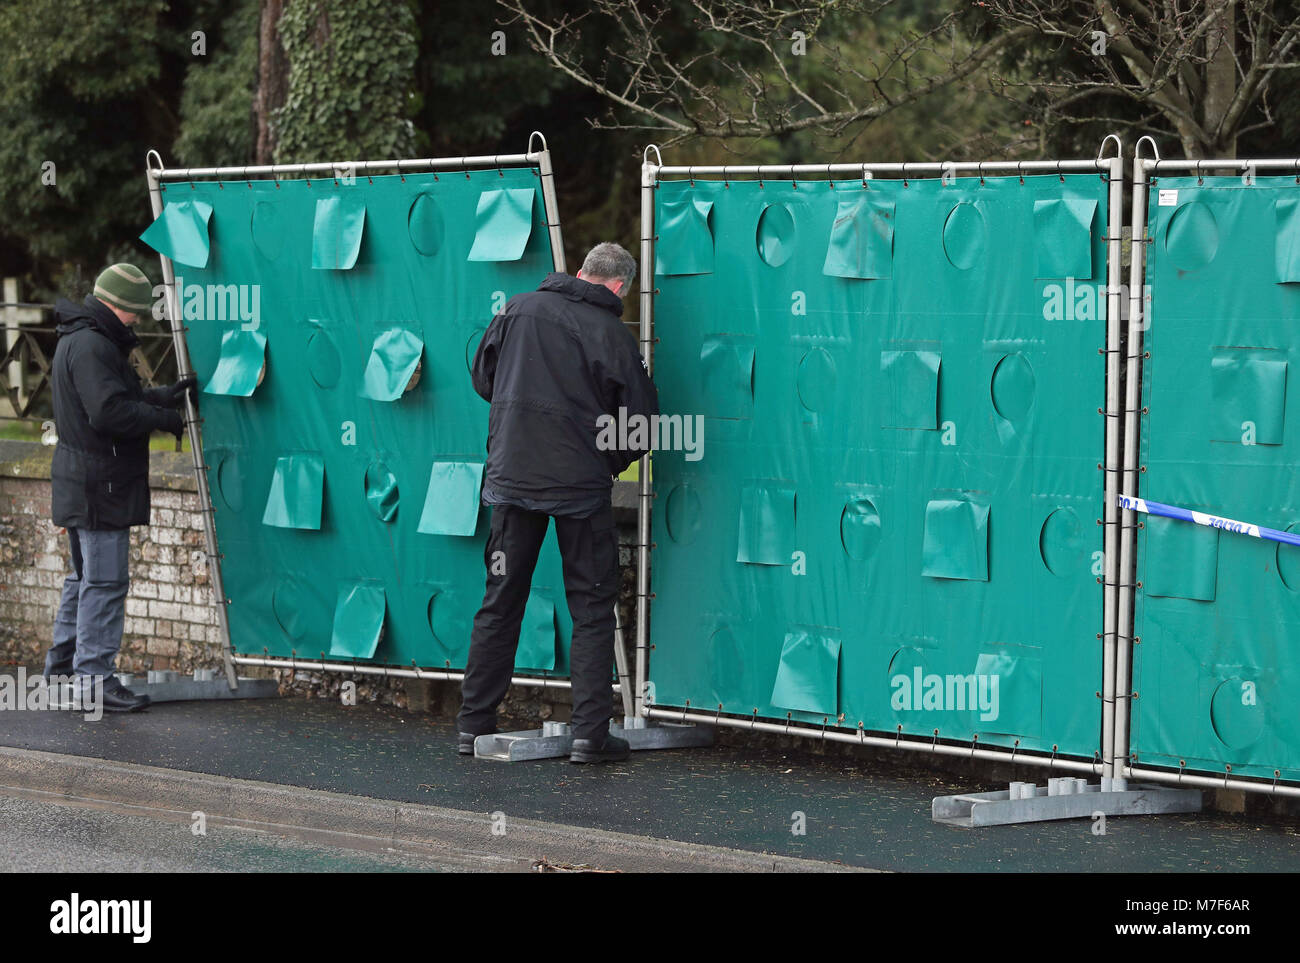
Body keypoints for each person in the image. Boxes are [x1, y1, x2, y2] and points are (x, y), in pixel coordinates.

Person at [457, 242, 658, 763]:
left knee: (500, 601)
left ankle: (472, 726)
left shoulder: (516, 310)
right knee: (591, 608)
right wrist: (607, 464)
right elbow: (640, 425)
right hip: (579, 492)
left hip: (511, 482)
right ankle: (590, 735)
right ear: (618, 287)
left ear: (580, 272)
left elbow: (484, 380)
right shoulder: (614, 335)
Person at [44, 263, 195, 712]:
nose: (137, 320)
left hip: (82, 480)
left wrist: (163, 395)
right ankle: (93, 680)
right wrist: (165, 420)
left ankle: (64, 671)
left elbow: (114, 399)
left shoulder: (81, 337)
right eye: (134, 312)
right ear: (118, 305)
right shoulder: (93, 345)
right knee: (105, 581)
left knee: (83, 578)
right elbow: (109, 414)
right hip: (99, 486)